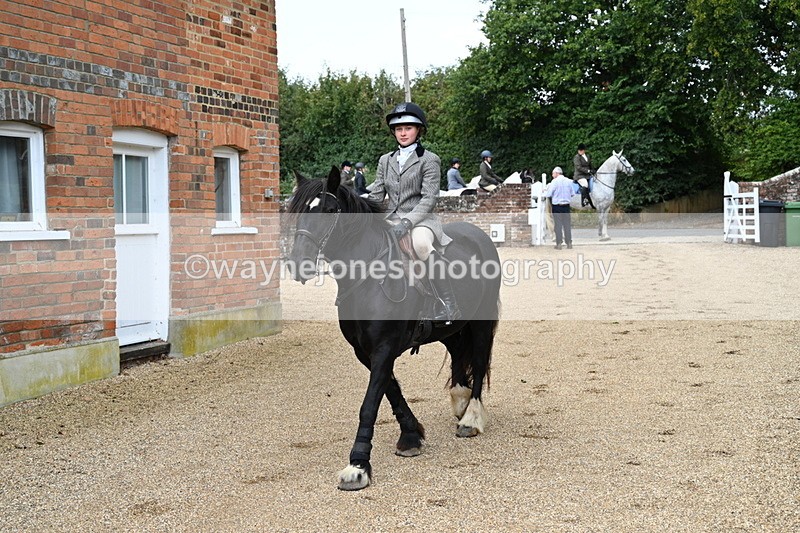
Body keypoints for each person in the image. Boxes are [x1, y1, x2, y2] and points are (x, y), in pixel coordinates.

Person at [368, 102, 460, 323]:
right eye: (399, 129)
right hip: (390, 218)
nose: (403, 133)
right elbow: (376, 193)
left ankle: (448, 303)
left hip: (421, 220)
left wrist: (407, 223)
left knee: (420, 245)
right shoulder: (385, 160)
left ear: (418, 130)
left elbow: (429, 198)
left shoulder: (430, 159)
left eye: (408, 128)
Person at [544, 166, 573, 249]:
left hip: (557, 205)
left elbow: (549, 194)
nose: (552, 175)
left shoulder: (554, 182)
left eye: (553, 173)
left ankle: (559, 243)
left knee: (558, 225)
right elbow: (572, 193)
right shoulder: (568, 181)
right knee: (567, 225)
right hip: (566, 205)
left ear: (556, 173)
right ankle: (569, 243)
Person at [573, 143, 595, 209]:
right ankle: (584, 201)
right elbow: (579, 167)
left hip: (587, 175)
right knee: (585, 184)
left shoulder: (587, 156)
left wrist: (593, 170)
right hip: (579, 175)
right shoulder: (576, 157)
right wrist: (588, 171)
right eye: (579, 150)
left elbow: (590, 164)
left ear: (584, 150)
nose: (580, 151)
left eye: (581, 150)